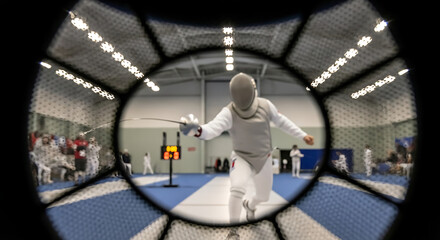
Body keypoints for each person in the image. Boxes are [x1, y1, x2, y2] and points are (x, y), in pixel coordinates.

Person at [179, 73, 314, 238]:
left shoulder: (266, 105)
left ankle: (250, 205)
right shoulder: (228, 112)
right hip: (241, 157)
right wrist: (197, 129)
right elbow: (211, 129)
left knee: (263, 197)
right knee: (237, 188)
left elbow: (281, 121)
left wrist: (302, 135)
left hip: (264, 158)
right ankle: (233, 231)